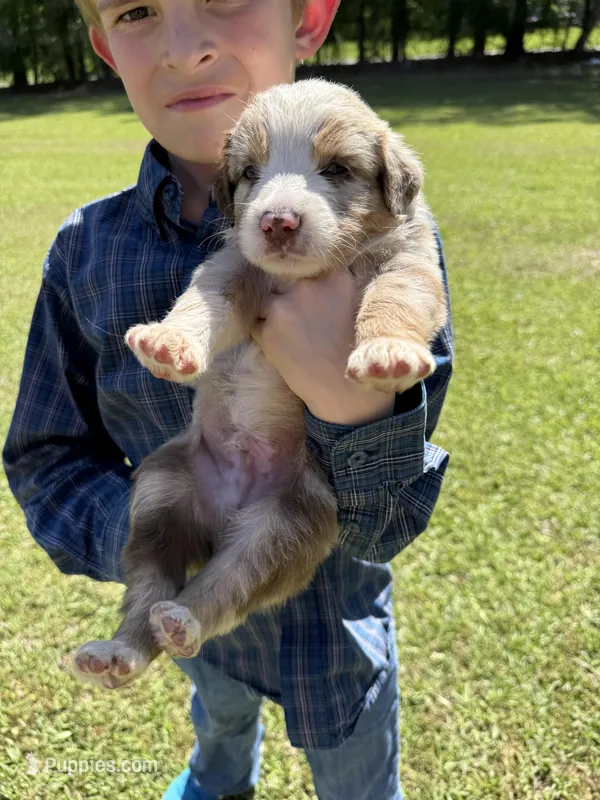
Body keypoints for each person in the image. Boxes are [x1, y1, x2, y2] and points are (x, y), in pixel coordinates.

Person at [2, 1, 454, 798]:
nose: (188, 48)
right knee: (214, 716)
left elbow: (389, 521)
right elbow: (48, 455)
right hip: (199, 632)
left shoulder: (400, 240)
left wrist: (353, 387)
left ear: (307, 19)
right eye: (140, 9)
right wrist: (158, 536)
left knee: (355, 771)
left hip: (335, 647)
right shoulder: (87, 251)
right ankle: (174, 700)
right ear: (105, 46)